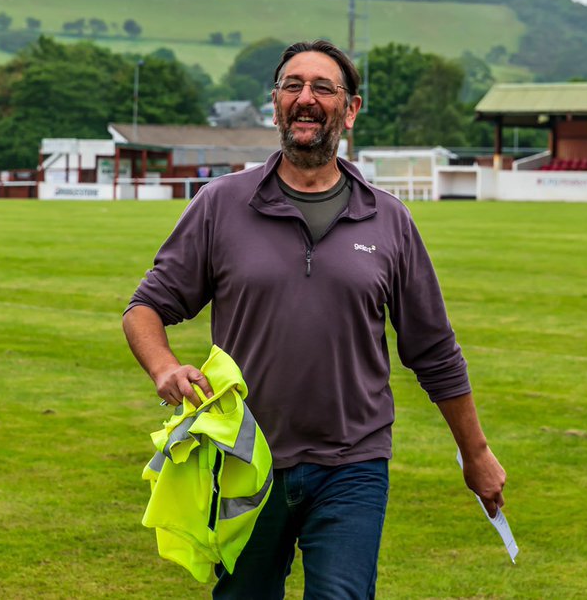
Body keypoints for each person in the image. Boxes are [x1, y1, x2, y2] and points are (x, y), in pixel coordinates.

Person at [124, 39, 506, 598]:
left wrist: (475, 453)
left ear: (349, 110)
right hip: (244, 460)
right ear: (274, 103)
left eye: (323, 88)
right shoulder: (221, 204)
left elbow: (433, 351)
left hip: (353, 464)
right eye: (292, 86)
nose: (305, 98)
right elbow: (145, 308)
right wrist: (163, 368)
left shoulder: (389, 220)